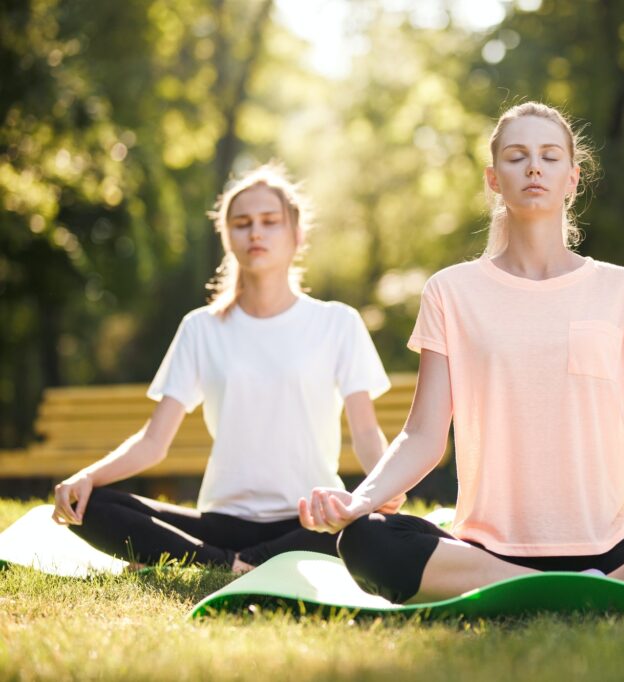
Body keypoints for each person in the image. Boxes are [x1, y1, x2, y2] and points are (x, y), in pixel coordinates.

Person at [297, 102, 624, 605]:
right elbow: (422, 436)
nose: (533, 168)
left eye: (550, 156)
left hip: (616, 548)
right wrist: (359, 500)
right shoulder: (450, 292)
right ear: (493, 178)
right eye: (516, 156)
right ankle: (572, 588)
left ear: (572, 178)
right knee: (367, 539)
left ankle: (538, 591)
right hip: (488, 548)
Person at [51, 164, 399, 572]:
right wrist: (86, 477)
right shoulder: (200, 328)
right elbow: (153, 442)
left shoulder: (338, 322)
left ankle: (217, 564)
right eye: (242, 223)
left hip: (311, 521)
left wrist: (382, 488)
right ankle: (232, 561)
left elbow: (364, 432)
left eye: (270, 222)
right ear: (227, 236)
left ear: (297, 235)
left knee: (370, 524)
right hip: (220, 522)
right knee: (92, 504)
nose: (255, 232)